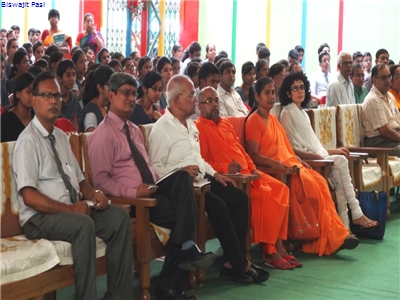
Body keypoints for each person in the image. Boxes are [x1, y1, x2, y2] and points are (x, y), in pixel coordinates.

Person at [88, 72, 216, 300]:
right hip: (134, 202)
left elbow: (150, 168)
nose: (130, 98)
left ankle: (180, 262)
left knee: (182, 178)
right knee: (184, 214)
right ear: (111, 95)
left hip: (151, 188)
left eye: (133, 93)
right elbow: (101, 182)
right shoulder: (103, 135)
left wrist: (162, 180)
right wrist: (132, 192)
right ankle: (169, 283)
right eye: (125, 93)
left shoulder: (134, 130)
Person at [12, 71, 133, 299]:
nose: (53, 101)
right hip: (39, 218)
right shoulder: (27, 141)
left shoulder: (59, 136)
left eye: (57, 96)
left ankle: (119, 296)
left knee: (119, 219)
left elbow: (79, 180)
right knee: (83, 224)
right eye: (46, 96)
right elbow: (29, 196)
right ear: (34, 101)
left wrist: (94, 193)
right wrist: (70, 209)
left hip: (71, 211)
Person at [148, 74, 270, 284]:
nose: (194, 101)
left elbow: (199, 159)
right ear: (177, 100)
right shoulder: (161, 129)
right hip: (183, 190)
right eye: (191, 97)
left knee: (239, 198)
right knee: (220, 206)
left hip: (202, 180)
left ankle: (232, 263)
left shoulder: (189, 124)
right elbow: (157, 171)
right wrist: (183, 170)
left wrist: (217, 175)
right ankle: (241, 265)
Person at [245, 76, 359, 256]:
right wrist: (275, 163)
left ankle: (337, 233)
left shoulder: (273, 120)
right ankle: (321, 241)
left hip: (290, 165)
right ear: (257, 97)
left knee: (320, 182)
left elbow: (287, 147)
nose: (271, 96)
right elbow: (253, 155)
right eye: (266, 93)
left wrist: (298, 158)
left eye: (273, 92)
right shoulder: (253, 120)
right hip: (277, 171)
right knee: (313, 186)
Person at [196, 86, 300, 270]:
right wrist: (224, 168)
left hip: (249, 173)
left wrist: (253, 169)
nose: (214, 105)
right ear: (199, 106)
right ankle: (268, 251)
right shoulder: (199, 128)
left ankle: (279, 245)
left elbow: (241, 150)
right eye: (208, 101)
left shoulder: (225, 124)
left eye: (216, 101)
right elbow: (203, 161)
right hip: (233, 179)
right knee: (267, 195)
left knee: (282, 189)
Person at [278, 71, 377, 231]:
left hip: (319, 158)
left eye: (302, 87)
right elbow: (292, 148)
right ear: (288, 93)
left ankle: (345, 226)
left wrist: (333, 151)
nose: (300, 91)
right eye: (295, 88)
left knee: (340, 168)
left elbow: (314, 144)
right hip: (307, 162)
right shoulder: (287, 113)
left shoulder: (302, 112)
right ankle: (355, 214)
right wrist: (318, 156)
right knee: (341, 163)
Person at [362, 64, 400, 157]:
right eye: (384, 78)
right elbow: (385, 131)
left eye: (389, 77)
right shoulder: (373, 99)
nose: (388, 81)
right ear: (374, 80)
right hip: (378, 142)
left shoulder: (390, 96)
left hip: (392, 138)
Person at [1, 73, 34, 142]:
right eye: (29, 91)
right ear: (18, 94)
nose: (33, 96)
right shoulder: (5, 120)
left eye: (35, 92)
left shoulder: (37, 116)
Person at [79, 65, 114, 132]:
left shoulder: (108, 107)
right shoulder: (91, 112)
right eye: (109, 85)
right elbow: (91, 138)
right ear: (99, 88)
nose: (113, 89)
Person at [57, 60, 81, 130]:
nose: (72, 78)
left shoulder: (74, 98)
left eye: (74, 74)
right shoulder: (55, 99)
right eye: (68, 75)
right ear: (60, 78)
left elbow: (75, 125)